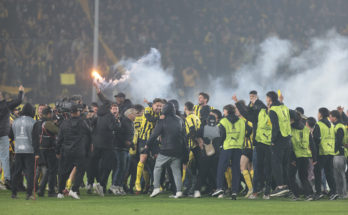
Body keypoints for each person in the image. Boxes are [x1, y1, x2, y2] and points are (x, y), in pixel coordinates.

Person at [148, 103, 186, 198]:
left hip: (166, 149)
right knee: (176, 171)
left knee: (157, 167)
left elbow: (154, 134)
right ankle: (179, 192)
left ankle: (156, 187)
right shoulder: (180, 119)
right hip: (178, 150)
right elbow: (184, 136)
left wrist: (147, 144)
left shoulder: (162, 120)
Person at [56, 105, 91, 199]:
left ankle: (60, 192)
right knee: (80, 171)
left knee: (63, 172)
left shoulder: (64, 123)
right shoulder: (83, 123)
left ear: (70, 113)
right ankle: (74, 190)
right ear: (77, 112)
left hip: (66, 150)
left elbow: (59, 139)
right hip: (79, 151)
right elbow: (89, 134)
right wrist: (88, 149)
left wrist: (57, 151)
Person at [212, 104, 245, 200]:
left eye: (224, 111)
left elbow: (220, 135)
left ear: (226, 111)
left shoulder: (223, 121)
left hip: (227, 147)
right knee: (236, 169)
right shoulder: (241, 121)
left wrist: (219, 145)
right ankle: (234, 192)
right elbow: (247, 131)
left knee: (221, 168)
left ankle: (219, 188)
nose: (223, 112)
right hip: (238, 147)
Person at [135, 98, 164, 193]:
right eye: (157, 105)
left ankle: (157, 183)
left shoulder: (160, 113)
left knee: (158, 160)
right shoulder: (148, 110)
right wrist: (160, 118)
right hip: (144, 139)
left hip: (154, 140)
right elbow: (149, 118)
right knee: (143, 159)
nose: (159, 107)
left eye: (160, 106)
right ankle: (137, 182)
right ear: (153, 106)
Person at [266, 91, 291, 197]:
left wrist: (272, 140)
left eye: (267, 98)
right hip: (288, 138)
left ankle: (280, 186)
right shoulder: (284, 107)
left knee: (276, 163)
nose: (266, 99)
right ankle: (285, 185)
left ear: (270, 99)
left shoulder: (273, 110)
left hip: (279, 139)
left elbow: (275, 126)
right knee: (285, 164)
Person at [9, 103, 36, 199]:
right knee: (29, 173)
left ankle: (14, 193)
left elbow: (11, 136)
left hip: (18, 150)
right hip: (29, 150)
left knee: (16, 172)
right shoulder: (33, 122)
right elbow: (36, 138)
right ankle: (29, 194)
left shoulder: (16, 121)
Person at [288, 110, 316, 201]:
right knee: (303, 177)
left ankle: (296, 195)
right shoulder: (305, 129)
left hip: (294, 156)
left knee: (291, 176)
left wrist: (292, 159)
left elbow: (290, 145)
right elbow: (312, 144)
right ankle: (309, 195)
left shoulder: (290, 128)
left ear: (292, 119)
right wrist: (314, 157)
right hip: (305, 155)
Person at [32, 106, 59, 197]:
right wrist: (57, 123)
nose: (52, 115)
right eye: (51, 113)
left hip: (40, 150)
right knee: (52, 170)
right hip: (49, 150)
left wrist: (36, 151)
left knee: (47, 170)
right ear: (48, 114)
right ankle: (50, 190)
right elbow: (58, 131)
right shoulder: (47, 124)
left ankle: (41, 189)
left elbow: (34, 137)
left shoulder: (37, 123)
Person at [0, 85, 23, 189]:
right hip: (3, 134)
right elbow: (19, 101)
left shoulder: (6, 105)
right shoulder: (6, 105)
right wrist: (21, 92)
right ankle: (7, 179)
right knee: (4, 158)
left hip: (4, 134)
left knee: (4, 157)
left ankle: (7, 179)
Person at [313, 108, 338, 200]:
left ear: (320, 114)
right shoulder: (331, 125)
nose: (317, 114)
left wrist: (314, 155)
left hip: (322, 151)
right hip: (331, 151)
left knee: (317, 172)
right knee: (329, 173)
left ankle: (318, 192)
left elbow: (316, 140)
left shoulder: (318, 124)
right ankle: (334, 192)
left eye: (318, 112)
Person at [110, 108, 136, 195]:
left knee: (125, 169)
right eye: (135, 114)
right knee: (120, 168)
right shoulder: (123, 121)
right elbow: (118, 133)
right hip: (120, 148)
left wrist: (131, 145)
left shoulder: (130, 122)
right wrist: (125, 142)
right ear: (130, 114)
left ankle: (120, 186)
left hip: (126, 149)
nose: (136, 116)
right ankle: (114, 186)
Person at [183, 101, 201, 197]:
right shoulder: (197, 117)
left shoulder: (189, 118)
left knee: (190, 169)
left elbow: (192, 130)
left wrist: (190, 138)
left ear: (185, 108)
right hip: (198, 146)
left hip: (192, 147)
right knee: (195, 169)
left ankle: (190, 190)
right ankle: (193, 189)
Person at [329, 110, 347, 198]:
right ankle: (340, 193)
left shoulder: (339, 126)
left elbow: (339, 140)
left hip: (339, 153)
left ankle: (344, 193)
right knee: (338, 175)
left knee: (341, 174)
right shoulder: (338, 125)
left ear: (334, 117)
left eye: (330, 116)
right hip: (338, 153)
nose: (329, 118)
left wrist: (333, 147)